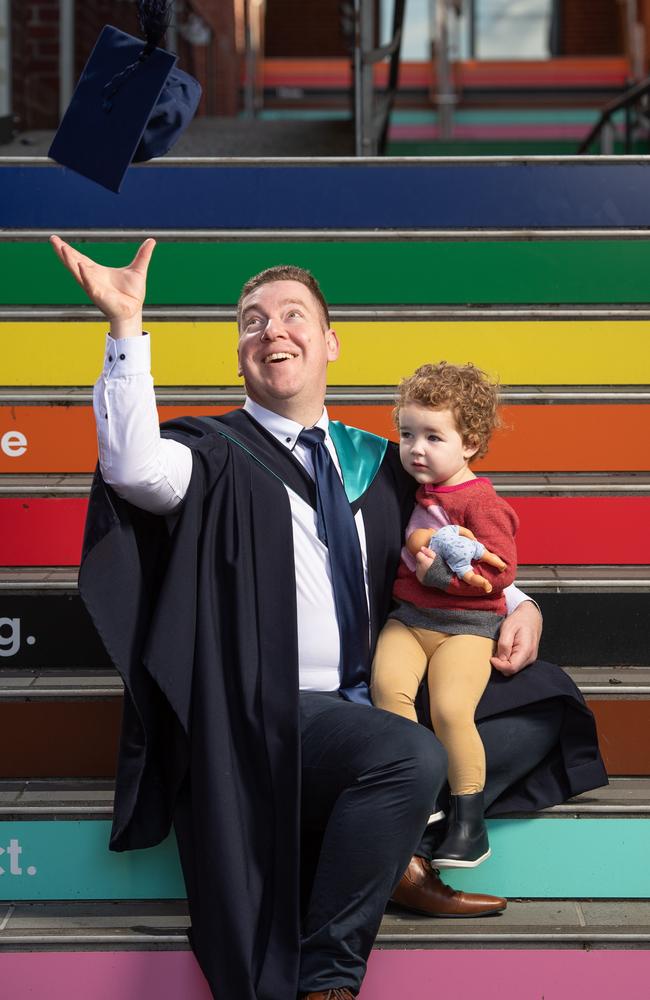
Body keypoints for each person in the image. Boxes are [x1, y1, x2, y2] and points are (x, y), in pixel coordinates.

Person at [49, 236, 607, 1000]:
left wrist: (520, 602)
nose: (270, 330)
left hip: (377, 695)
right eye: (251, 321)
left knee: (545, 706)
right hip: (270, 712)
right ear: (240, 352)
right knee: (411, 756)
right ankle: (329, 974)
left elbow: (448, 545)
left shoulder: (377, 459)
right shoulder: (209, 456)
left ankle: (390, 845)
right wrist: (124, 328)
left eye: (291, 315)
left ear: (331, 343)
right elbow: (132, 468)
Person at [372, 362, 518, 869]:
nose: (416, 448)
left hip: (466, 629)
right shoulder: (418, 491)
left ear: (470, 442)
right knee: (388, 692)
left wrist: (437, 572)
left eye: (434, 437)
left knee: (452, 711)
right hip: (409, 620)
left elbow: (498, 575)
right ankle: (422, 798)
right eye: (408, 433)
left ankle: (469, 819)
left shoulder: (482, 500)